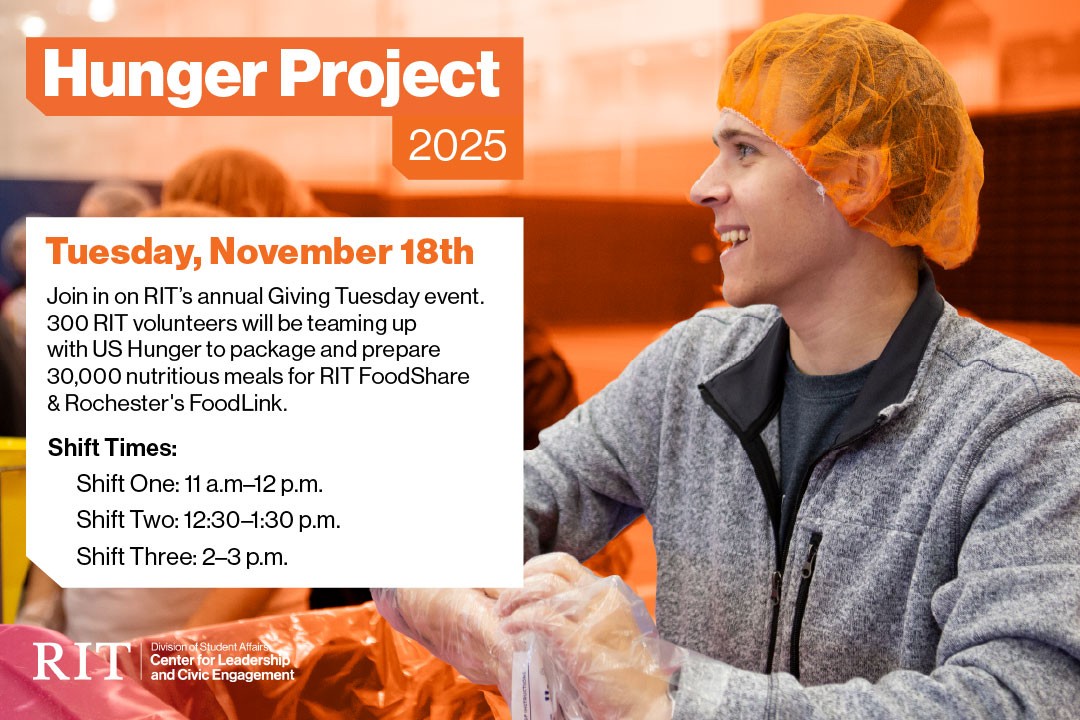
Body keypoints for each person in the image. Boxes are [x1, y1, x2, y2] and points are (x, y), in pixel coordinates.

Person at [375, 13, 1080, 718]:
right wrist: (493, 637)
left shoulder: (1024, 430)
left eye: (744, 151)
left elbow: (1019, 701)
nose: (703, 187)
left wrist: (663, 692)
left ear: (857, 180)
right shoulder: (692, 368)